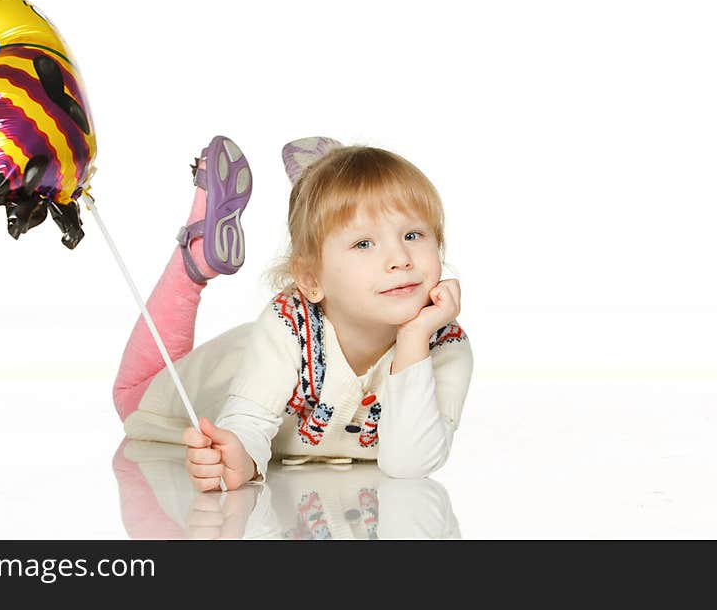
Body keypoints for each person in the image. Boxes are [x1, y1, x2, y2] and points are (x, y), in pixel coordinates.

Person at [113, 135, 473, 491]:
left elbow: (410, 465)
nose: (401, 259)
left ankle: (318, 183)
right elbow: (247, 421)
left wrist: (414, 339)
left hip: (283, 350)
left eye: (413, 235)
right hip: (228, 370)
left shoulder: (445, 344)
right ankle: (192, 256)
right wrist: (240, 454)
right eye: (364, 243)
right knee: (132, 394)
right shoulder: (287, 323)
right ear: (310, 279)